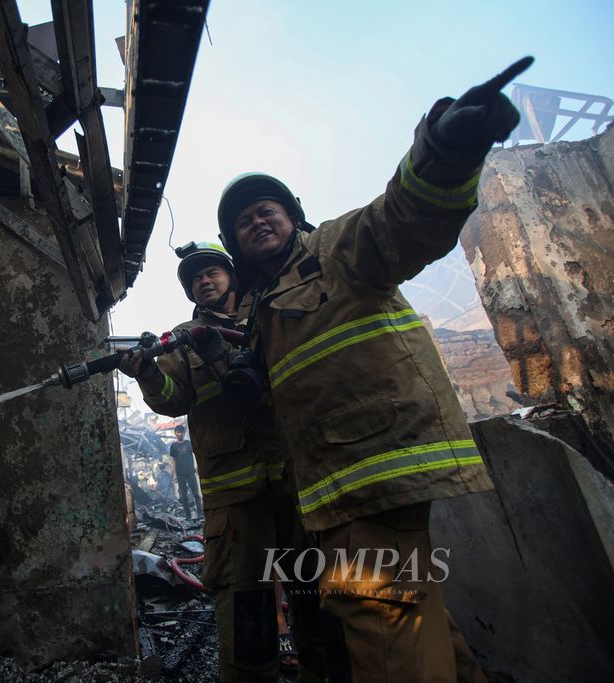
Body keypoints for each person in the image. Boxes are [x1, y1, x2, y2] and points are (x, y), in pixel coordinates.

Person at [214, 58, 534, 683]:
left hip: (371, 468)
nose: (256, 219)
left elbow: (402, 220)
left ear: (294, 216)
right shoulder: (263, 307)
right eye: (242, 219)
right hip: (337, 483)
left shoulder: (333, 248)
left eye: (267, 209)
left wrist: (444, 152)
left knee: (382, 622)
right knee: (413, 619)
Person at [119, 241, 303, 681]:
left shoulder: (269, 314)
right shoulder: (183, 339)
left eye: (212, 272)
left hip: (302, 481)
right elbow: (172, 400)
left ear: (231, 276)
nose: (204, 281)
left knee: (318, 596)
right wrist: (146, 371)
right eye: (196, 278)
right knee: (245, 607)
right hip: (237, 494)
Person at [169, 424, 202, 518]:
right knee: (184, 496)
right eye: (178, 432)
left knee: (196, 494)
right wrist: (174, 475)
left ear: (184, 433)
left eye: (181, 432)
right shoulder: (173, 446)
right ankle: (188, 516)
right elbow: (173, 461)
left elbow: (197, 454)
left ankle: (200, 514)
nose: (179, 434)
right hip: (180, 474)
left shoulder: (188, 443)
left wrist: (198, 466)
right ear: (175, 433)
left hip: (191, 472)